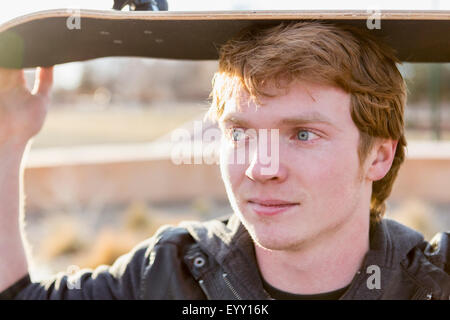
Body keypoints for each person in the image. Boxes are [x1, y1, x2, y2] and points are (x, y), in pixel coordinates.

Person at [0, 21, 449, 300]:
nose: (261, 167)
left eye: (303, 134)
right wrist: (8, 139)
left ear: (379, 156)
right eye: (240, 132)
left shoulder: (434, 283)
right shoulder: (166, 275)